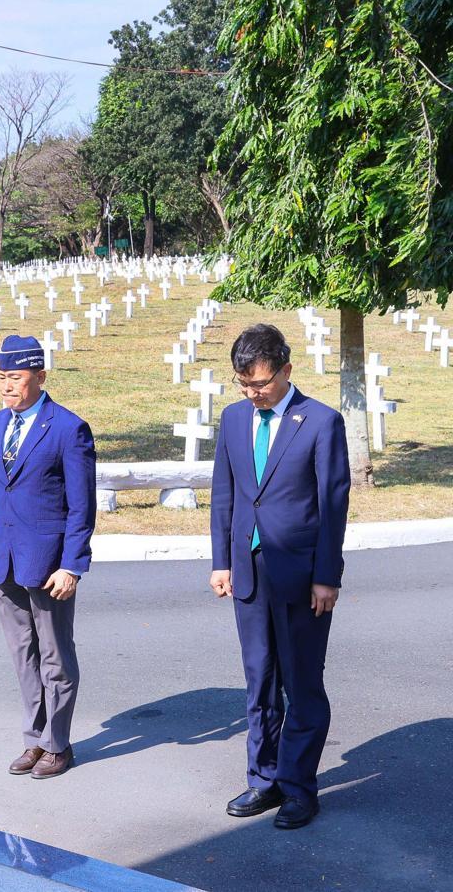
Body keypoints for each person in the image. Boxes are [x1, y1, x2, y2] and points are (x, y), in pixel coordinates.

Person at [210, 323, 349, 830]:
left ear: (286, 370)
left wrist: (326, 576)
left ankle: (298, 787)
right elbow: (225, 493)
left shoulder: (319, 422)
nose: (252, 393)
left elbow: (333, 505)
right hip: (248, 571)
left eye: (261, 385)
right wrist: (221, 562)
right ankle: (263, 779)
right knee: (259, 679)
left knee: (302, 683)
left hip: (300, 572)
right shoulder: (232, 419)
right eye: (243, 385)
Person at [0, 336, 96, 780]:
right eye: (1, 377)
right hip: (3, 561)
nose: (6, 386)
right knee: (23, 654)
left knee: (55, 656)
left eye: (16, 378)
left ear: (40, 377)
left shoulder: (67, 428)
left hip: (48, 564)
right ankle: (34, 739)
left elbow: (82, 506)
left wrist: (72, 564)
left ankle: (57, 745)